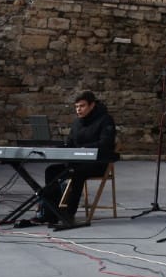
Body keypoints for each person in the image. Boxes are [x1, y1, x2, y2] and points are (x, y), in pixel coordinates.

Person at [39, 90, 119, 227]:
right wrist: (56, 148)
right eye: (76, 107)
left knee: (77, 173)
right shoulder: (77, 123)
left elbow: (106, 144)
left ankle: (69, 214)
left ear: (92, 105)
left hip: (98, 163)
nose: (78, 110)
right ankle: (50, 213)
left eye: (82, 106)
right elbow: (70, 143)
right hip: (77, 162)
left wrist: (83, 149)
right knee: (51, 171)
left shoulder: (105, 120)